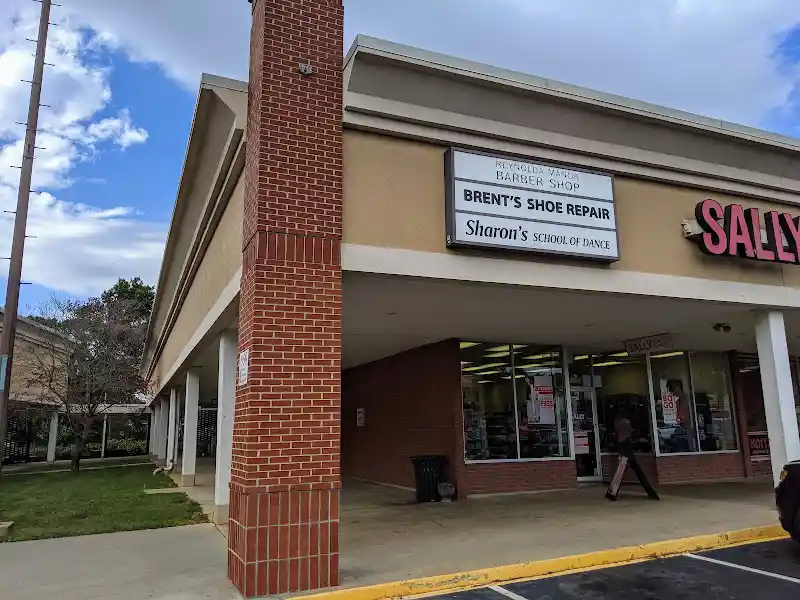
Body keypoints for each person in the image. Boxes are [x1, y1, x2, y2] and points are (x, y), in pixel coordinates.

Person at [606, 408, 659, 500]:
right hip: (626, 445)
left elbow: (616, 434)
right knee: (633, 471)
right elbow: (630, 433)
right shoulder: (626, 422)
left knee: (622, 470)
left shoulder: (616, 423)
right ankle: (650, 491)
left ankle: (611, 492)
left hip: (621, 445)